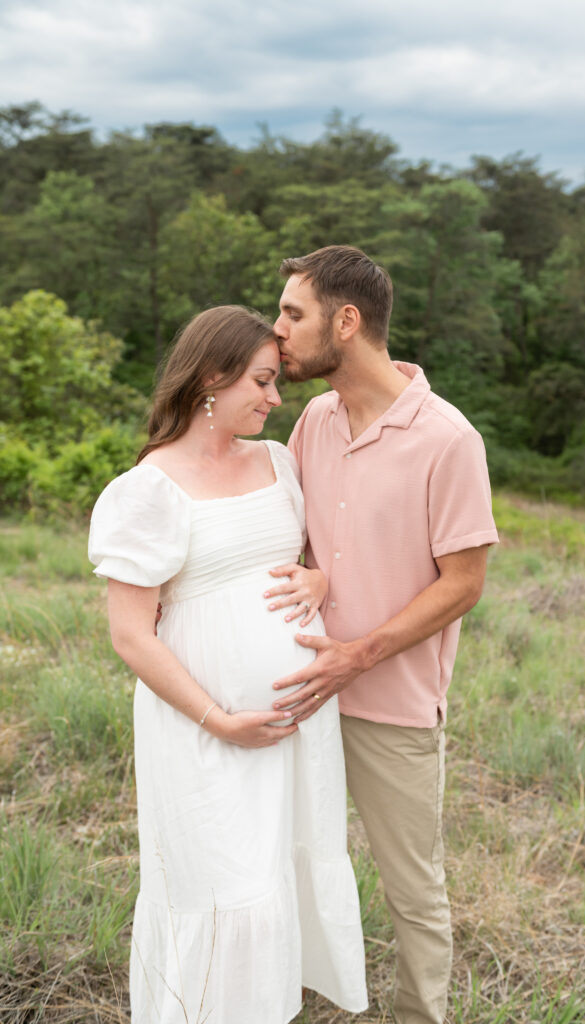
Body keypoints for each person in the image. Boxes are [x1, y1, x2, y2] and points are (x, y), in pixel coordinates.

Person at [87, 306, 367, 1024]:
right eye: (263, 383)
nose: (276, 399)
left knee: (278, 872)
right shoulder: (148, 489)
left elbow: (312, 559)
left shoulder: (278, 463)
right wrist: (220, 718)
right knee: (217, 883)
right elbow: (129, 634)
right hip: (204, 730)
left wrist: (320, 581)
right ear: (211, 378)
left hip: (296, 729)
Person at [263, 247, 499, 1024]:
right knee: (287, 867)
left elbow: (463, 583)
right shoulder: (313, 421)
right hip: (297, 694)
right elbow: (291, 549)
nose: (278, 331)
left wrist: (357, 656)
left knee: (412, 891)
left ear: (347, 320)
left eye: (292, 314)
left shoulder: (447, 439)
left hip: (392, 709)